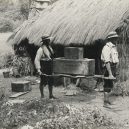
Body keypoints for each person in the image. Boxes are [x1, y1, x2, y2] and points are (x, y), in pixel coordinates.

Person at [101, 31, 119, 107]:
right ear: (111, 39)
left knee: (110, 85)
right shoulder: (106, 48)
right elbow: (107, 61)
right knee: (107, 85)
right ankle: (105, 103)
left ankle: (107, 101)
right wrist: (110, 73)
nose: (116, 39)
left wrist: (115, 70)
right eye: (115, 38)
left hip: (113, 67)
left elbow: (115, 59)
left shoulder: (113, 47)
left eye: (116, 38)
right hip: (108, 68)